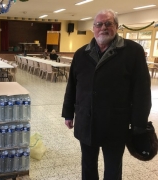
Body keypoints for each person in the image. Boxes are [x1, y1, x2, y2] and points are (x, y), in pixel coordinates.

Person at [62, 9, 151, 180]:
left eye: (108, 23)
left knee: (112, 168)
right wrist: (68, 113)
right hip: (86, 120)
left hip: (115, 123)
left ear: (116, 26)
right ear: (93, 28)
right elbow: (72, 86)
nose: (103, 27)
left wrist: (139, 123)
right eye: (99, 24)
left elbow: (142, 91)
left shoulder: (133, 51)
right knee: (88, 166)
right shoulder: (81, 53)